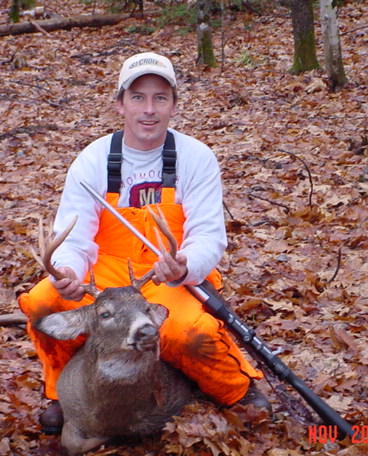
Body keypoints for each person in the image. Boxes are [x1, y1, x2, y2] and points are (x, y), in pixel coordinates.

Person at [18, 52, 269, 434]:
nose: (149, 110)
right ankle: (63, 393)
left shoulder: (195, 158)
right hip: (105, 274)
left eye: (159, 98)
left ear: (173, 105)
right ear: (120, 104)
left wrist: (185, 264)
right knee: (43, 304)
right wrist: (68, 270)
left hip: (165, 275)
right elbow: (75, 236)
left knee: (188, 334)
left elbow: (208, 236)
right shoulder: (93, 160)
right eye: (138, 97)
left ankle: (237, 390)